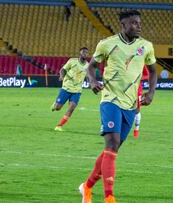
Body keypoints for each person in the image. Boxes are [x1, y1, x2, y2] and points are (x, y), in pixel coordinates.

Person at [79, 10, 157, 203]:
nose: (138, 26)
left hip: (131, 104)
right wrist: (92, 81)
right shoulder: (107, 44)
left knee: (112, 150)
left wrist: (151, 92)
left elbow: (154, 71)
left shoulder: (146, 46)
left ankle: (87, 187)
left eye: (139, 22)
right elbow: (90, 66)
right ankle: (109, 197)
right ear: (123, 25)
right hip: (110, 99)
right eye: (133, 23)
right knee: (112, 144)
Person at [51, 47, 89, 132]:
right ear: (80, 52)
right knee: (58, 108)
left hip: (77, 90)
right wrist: (61, 76)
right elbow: (63, 70)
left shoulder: (88, 65)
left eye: (87, 52)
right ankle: (55, 104)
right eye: (83, 52)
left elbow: (89, 76)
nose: (85, 54)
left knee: (72, 107)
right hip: (66, 88)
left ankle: (59, 125)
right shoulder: (72, 61)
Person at [133, 65, 149, 138]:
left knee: (137, 110)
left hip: (137, 90)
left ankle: (136, 129)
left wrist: (138, 78)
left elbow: (147, 75)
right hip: (124, 89)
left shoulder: (141, 61)